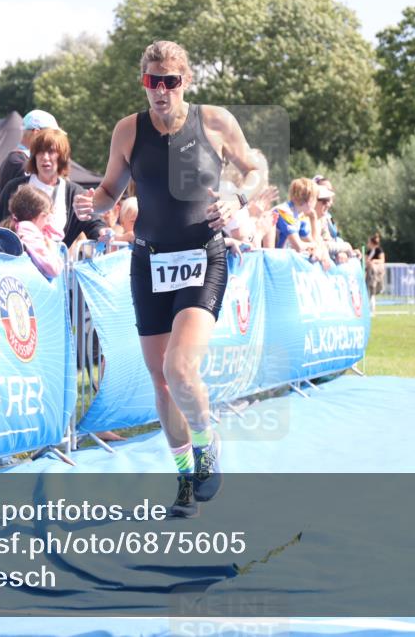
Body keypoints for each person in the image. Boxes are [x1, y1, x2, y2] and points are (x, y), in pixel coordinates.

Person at [72, 40, 263, 517]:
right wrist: (90, 205)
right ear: (144, 83)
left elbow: (255, 169)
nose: (160, 91)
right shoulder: (128, 130)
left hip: (203, 257)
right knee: (161, 380)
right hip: (149, 261)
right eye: (151, 82)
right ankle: (184, 477)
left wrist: (238, 199)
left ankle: (206, 446)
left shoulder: (215, 121)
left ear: (186, 82)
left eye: (169, 82)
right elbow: (111, 189)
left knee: (180, 368)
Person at [0, 128, 112, 248]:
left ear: (62, 157)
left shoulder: (74, 193)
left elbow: (95, 225)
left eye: (51, 152)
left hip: (54, 263)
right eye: (40, 151)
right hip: (18, 261)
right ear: (34, 156)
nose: (45, 157)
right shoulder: (14, 187)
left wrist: (102, 232)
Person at [0, 109, 60, 197]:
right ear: (36, 133)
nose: (55, 139)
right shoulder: (20, 162)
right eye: (51, 134)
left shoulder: (17, 159)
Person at [8, 184, 64, 279]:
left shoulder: (24, 229)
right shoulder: (28, 231)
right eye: (48, 215)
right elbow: (53, 269)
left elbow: (58, 234)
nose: (49, 220)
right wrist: (51, 248)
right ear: (42, 215)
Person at [364, 234, 384, 314]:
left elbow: (382, 260)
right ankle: (369, 309)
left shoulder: (379, 250)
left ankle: (372, 309)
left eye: (369, 242)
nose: (368, 244)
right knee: (369, 291)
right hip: (369, 273)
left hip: (376, 273)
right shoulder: (368, 252)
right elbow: (365, 261)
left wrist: (373, 261)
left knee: (373, 291)